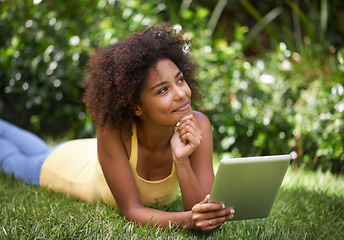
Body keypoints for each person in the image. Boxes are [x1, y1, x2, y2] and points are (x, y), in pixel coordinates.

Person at [0, 25, 234, 232]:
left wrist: (182, 161)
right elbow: (131, 210)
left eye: (180, 80)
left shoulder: (198, 124)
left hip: (89, 153)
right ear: (136, 106)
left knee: (29, 144)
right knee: (10, 159)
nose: (181, 93)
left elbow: (202, 208)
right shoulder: (114, 129)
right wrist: (189, 221)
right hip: (60, 167)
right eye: (163, 90)